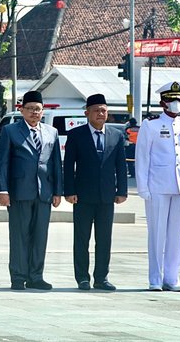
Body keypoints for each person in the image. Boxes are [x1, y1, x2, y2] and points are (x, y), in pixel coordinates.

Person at [0, 90, 62, 291]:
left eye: (38, 109)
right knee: (19, 235)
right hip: (19, 192)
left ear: (43, 111)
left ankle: (36, 276)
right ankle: (18, 276)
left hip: (44, 192)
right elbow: (3, 163)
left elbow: (56, 163)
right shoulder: (11, 131)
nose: (34, 112)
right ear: (22, 110)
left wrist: (58, 191)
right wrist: (3, 190)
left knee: (40, 235)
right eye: (30, 109)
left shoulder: (52, 132)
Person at [63, 93, 127, 291]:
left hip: (107, 196)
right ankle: (82, 277)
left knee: (104, 239)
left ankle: (101, 278)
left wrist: (122, 191)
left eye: (104, 110)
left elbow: (120, 166)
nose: (101, 114)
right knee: (81, 239)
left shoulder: (116, 135)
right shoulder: (76, 135)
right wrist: (69, 191)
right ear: (87, 113)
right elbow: (68, 166)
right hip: (82, 196)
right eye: (97, 110)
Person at [135, 81, 180, 292]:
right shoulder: (150, 125)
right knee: (157, 234)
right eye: (171, 100)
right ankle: (155, 279)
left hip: (179, 186)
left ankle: (172, 278)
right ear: (163, 103)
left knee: (176, 236)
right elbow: (142, 157)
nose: (175, 103)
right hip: (157, 186)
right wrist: (143, 187)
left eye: (178, 100)